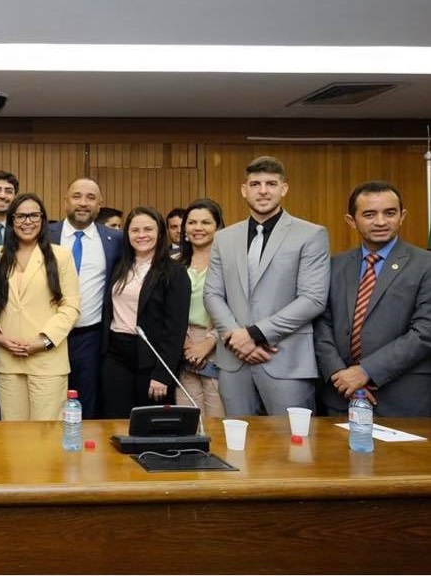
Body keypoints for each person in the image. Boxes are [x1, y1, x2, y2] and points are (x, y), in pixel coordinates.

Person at [204, 156, 330, 416]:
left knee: (293, 448)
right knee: (238, 447)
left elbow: (313, 299)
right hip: (233, 361)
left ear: (284, 189)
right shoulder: (224, 238)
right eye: (255, 184)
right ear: (244, 190)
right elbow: (213, 294)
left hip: (285, 360)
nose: (263, 191)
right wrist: (236, 339)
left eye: (271, 184)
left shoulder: (311, 234)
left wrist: (254, 335)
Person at [314, 181, 431, 417]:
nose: (380, 221)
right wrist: (339, 374)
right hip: (340, 396)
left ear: (402, 216)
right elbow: (321, 324)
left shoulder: (425, 264)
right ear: (351, 220)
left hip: (403, 398)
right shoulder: (333, 265)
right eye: (369, 214)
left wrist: (366, 371)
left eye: (390, 213)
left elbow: (425, 331)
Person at [0, 194, 79, 420]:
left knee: (45, 436)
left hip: (47, 360)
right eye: (20, 216)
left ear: (43, 219)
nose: (27, 222)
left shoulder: (61, 256)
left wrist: (43, 341)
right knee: (12, 437)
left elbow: (71, 307)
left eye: (33, 215)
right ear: (11, 221)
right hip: (7, 360)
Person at [99, 207, 190, 418]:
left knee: (148, 425)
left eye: (148, 229)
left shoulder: (174, 272)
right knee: (114, 420)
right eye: (135, 230)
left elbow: (175, 330)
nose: (141, 235)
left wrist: (163, 374)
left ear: (159, 233)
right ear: (126, 234)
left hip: (151, 359)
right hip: (115, 356)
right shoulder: (119, 266)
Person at [48, 178, 122, 418]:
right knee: (48, 403)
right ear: (65, 201)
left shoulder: (114, 240)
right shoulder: (45, 235)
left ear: (100, 204)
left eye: (90, 198)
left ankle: (80, 453)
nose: (83, 203)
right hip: (47, 336)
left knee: (86, 406)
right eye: (77, 196)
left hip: (90, 337)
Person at [176, 198, 226, 417]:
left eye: (206, 222)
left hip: (220, 344)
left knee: (217, 416)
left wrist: (209, 342)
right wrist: (184, 341)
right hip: (182, 345)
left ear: (218, 227)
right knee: (187, 418)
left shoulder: (229, 263)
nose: (198, 228)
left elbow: (237, 308)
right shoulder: (174, 263)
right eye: (192, 222)